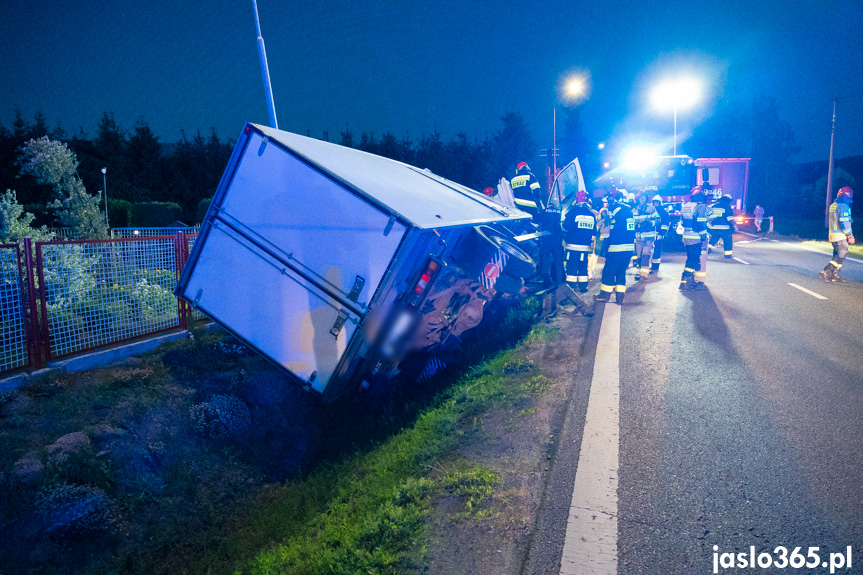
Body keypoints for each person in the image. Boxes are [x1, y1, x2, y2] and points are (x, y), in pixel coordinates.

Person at [594, 190, 635, 304]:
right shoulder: (628, 211)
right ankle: (620, 297)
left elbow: (606, 232)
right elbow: (631, 230)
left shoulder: (611, 212)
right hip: (628, 249)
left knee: (608, 271)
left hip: (616, 248)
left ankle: (604, 295)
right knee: (621, 272)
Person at [562, 191, 596, 293]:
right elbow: (594, 231)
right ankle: (583, 287)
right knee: (583, 266)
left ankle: (571, 287)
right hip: (585, 246)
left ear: (577, 199)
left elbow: (565, 227)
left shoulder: (573, 212)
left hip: (572, 245)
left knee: (571, 267)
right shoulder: (591, 214)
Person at [819, 186, 855, 283]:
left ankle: (835, 274)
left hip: (833, 235)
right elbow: (844, 222)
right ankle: (826, 271)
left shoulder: (833, 205)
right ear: (848, 195)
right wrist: (849, 235)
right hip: (840, 235)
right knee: (841, 255)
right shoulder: (843, 206)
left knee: (837, 255)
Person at [679, 186, 709, 290]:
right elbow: (701, 222)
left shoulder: (686, 206)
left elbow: (682, 222)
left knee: (690, 258)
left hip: (686, 236)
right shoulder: (700, 207)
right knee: (694, 259)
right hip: (696, 237)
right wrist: (704, 236)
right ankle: (687, 281)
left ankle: (683, 282)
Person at [632, 193, 659, 280]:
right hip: (638, 237)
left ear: (646, 199)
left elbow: (658, 219)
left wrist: (650, 223)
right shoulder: (634, 210)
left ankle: (643, 275)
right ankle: (641, 272)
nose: (642, 200)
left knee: (646, 255)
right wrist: (635, 226)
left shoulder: (651, 209)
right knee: (639, 256)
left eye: (643, 198)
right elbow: (631, 222)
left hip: (648, 236)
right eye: (640, 198)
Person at [708, 194, 736, 259]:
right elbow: (730, 219)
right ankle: (727, 255)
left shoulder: (714, 206)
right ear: (728, 200)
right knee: (727, 241)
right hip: (725, 229)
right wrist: (735, 225)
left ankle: (707, 250)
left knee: (712, 240)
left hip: (714, 228)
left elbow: (709, 217)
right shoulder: (727, 207)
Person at [650, 195, 669, 272]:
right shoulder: (652, 211)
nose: (655, 204)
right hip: (650, 234)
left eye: (657, 203)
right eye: (654, 203)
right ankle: (648, 265)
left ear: (660, 203)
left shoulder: (663, 213)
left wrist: (662, 233)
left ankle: (655, 267)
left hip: (658, 235)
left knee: (656, 251)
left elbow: (665, 224)